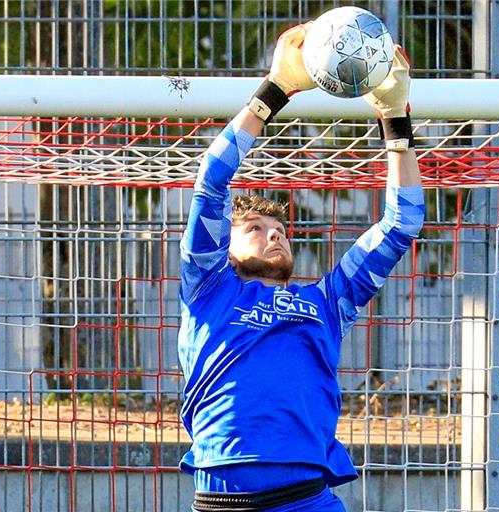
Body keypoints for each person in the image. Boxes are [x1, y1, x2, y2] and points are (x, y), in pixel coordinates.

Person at [177, 23, 424, 512]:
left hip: (308, 500)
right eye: (255, 229)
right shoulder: (207, 286)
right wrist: (276, 89)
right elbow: (211, 181)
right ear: (223, 247)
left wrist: (395, 117)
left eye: (280, 230)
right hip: (223, 500)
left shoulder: (327, 303)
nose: (274, 233)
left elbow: (402, 222)